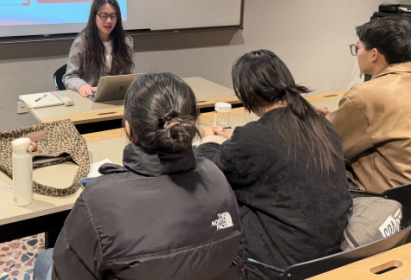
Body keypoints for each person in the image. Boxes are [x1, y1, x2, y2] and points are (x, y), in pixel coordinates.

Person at [34, 73, 242, 280]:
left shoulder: (99, 199)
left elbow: (66, 273)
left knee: (45, 260)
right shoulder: (216, 177)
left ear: (128, 128)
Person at [196, 50, 351, 280]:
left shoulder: (255, 137)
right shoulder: (320, 125)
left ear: (245, 92)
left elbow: (211, 170)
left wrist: (208, 140)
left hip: (277, 265)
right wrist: (235, 140)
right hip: (329, 254)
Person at [320, 17, 411, 193]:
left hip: (391, 197)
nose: (357, 54)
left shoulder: (366, 94)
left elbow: (327, 142)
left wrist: (315, 122)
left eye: (358, 48)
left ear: (374, 54)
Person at [62, 0, 134, 96]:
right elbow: (69, 77)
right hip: (90, 96)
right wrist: (81, 85)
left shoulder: (125, 42)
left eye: (113, 16)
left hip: (116, 96)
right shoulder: (81, 43)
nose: (109, 21)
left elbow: (127, 75)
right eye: (104, 16)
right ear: (94, 16)